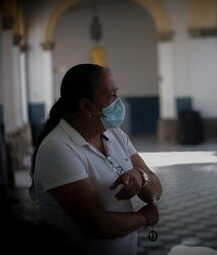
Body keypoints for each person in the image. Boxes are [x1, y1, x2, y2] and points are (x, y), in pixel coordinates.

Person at [29, 64, 162, 254]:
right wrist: (146, 218)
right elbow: (99, 224)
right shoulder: (57, 148)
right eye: (111, 95)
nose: (118, 101)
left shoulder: (114, 134)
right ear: (85, 105)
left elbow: (155, 191)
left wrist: (141, 177)